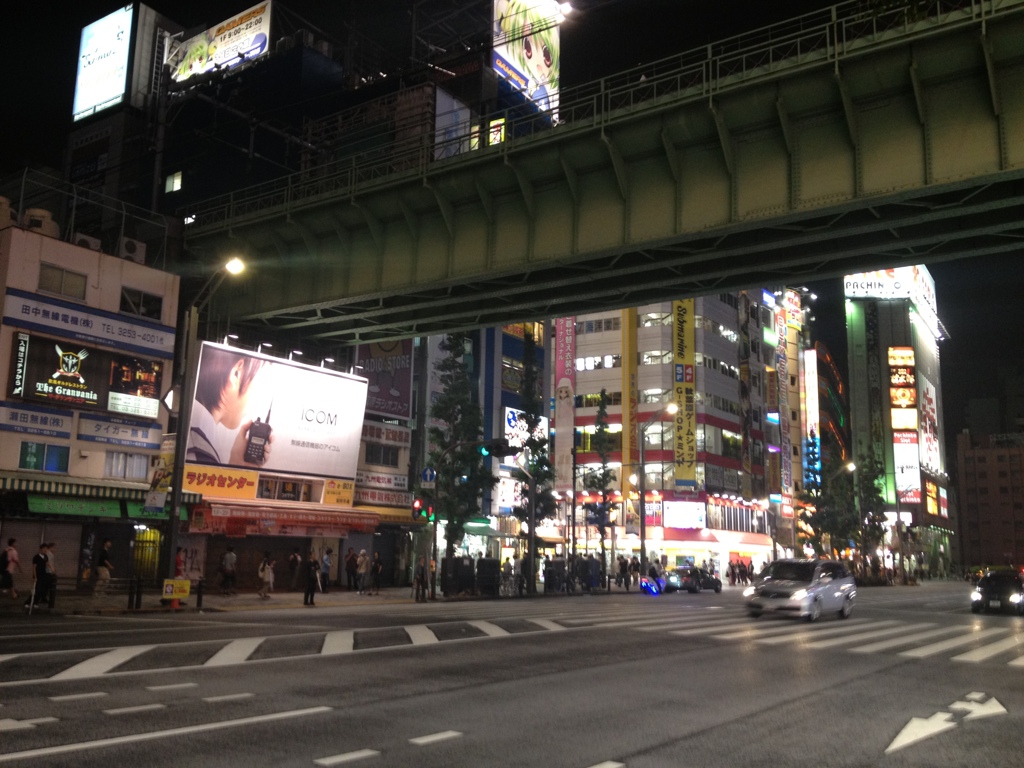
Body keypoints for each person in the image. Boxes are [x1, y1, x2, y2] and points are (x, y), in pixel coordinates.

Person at [187, 346, 271, 467]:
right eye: (257, 387)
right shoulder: (199, 450)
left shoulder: (198, 439)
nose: (254, 400)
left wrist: (236, 464)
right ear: (236, 373)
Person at [25, 543, 49, 611]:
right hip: (37, 575)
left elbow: (47, 564)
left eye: (46, 549)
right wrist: (35, 576)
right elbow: (34, 567)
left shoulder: (46, 557)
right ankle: (27, 602)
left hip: (43, 575)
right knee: (35, 590)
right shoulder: (36, 557)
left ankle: (36, 603)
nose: (45, 550)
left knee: (41, 590)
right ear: (41, 549)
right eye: (44, 549)